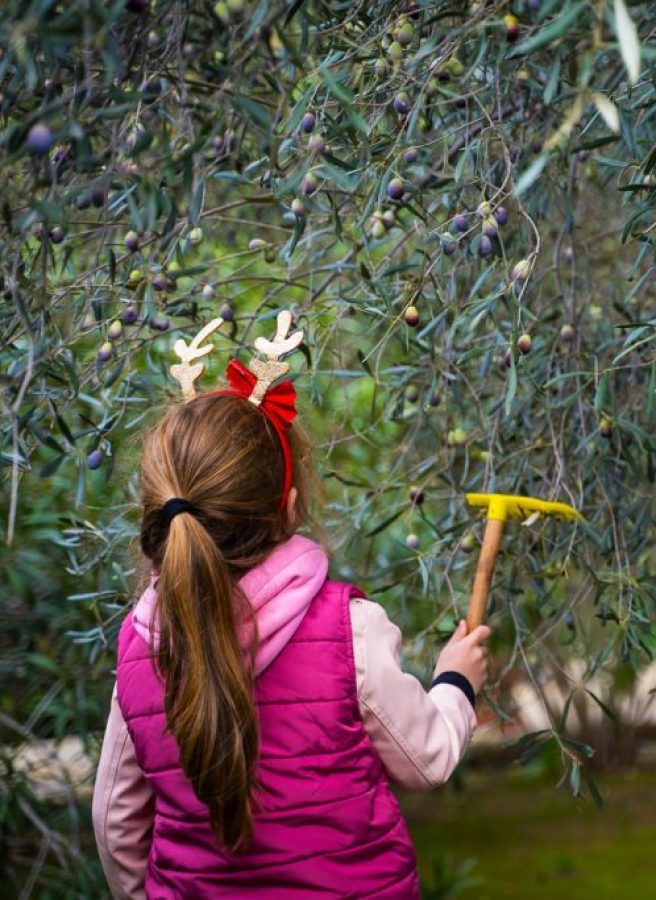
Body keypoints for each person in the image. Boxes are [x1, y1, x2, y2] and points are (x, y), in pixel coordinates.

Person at [92, 314, 491, 899]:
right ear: (291, 505)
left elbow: (115, 824)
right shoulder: (349, 630)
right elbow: (424, 758)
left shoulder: (142, 646)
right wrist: (457, 681)